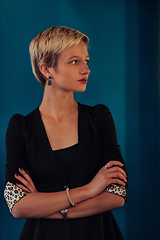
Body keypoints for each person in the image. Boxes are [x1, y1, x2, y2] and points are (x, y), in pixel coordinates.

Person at [4, 26, 128, 240]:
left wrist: (45, 205)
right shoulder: (20, 127)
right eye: (74, 61)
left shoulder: (99, 118)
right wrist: (88, 190)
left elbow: (117, 194)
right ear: (46, 70)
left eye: (86, 60)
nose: (86, 69)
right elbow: (17, 205)